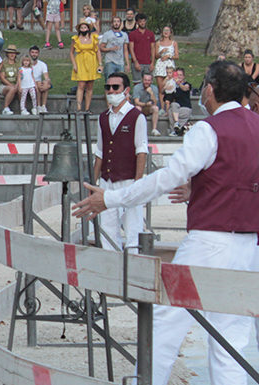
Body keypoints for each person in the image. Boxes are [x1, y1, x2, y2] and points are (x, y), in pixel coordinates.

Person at [73, 61, 259, 385]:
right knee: (231, 337)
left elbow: (167, 177)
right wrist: (205, 187)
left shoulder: (209, 128)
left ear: (211, 90)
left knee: (165, 323)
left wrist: (112, 198)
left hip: (208, 244)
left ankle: (149, 381)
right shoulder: (256, 126)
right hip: (247, 247)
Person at [90, 72, 147, 252]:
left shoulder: (136, 117)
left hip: (128, 179)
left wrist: (138, 182)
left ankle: (133, 268)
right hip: (107, 181)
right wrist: (94, 182)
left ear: (126, 90)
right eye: (108, 88)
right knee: (107, 228)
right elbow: (100, 151)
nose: (111, 91)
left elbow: (141, 150)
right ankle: (111, 270)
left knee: (133, 229)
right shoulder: (103, 118)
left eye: (116, 87)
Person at [70, 22, 101, 113]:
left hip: (91, 62)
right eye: (82, 28)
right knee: (81, 85)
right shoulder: (75, 39)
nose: (83, 29)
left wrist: (100, 63)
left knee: (90, 86)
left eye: (85, 27)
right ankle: (79, 108)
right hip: (80, 62)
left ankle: (87, 108)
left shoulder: (94, 38)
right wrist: (74, 64)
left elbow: (98, 51)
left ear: (88, 29)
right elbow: (71, 53)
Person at [163, 68, 192, 135]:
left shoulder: (187, 84)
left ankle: (175, 127)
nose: (179, 77)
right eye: (177, 75)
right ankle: (176, 128)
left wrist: (178, 83)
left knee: (173, 106)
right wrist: (165, 86)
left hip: (185, 108)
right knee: (172, 107)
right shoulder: (173, 86)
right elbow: (163, 92)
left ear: (184, 76)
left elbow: (185, 88)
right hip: (176, 110)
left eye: (180, 75)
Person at [127, 13, 154, 83]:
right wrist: (135, 62)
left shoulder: (150, 34)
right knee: (137, 83)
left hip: (148, 62)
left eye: (144, 21)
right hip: (137, 62)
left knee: (148, 83)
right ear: (137, 22)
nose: (142, 23)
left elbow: (153, 48)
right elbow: (131, 49)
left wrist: (152, 63)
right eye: (140, 21)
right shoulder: (132, 34)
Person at [28, 46, 52, 113]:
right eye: (32, 52)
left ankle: (43, 106)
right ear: (30, 53)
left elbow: (46, 77)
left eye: (36, 52)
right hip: (29, 83)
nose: (34, 54)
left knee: (45, 84)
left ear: (38, 54)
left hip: (39, 84)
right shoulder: (27, 63)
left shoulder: (42, 64)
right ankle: (38, 106)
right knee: (38, 84)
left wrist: (47, 83)